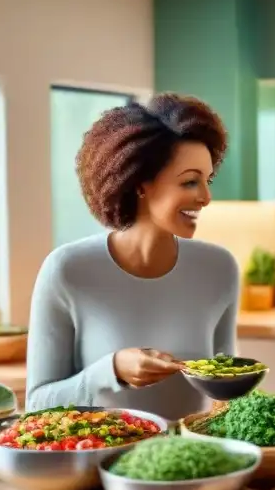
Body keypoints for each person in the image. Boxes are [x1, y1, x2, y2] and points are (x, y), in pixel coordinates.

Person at [25, 93, 239, 421]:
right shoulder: (67, 270)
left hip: (194, 461)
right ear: (141, 183)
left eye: (208, 180)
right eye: (190, 182)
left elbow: (227, 391)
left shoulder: (219, 268)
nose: (206, 198)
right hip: (99, 461)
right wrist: (110, 370)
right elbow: (37, 403)